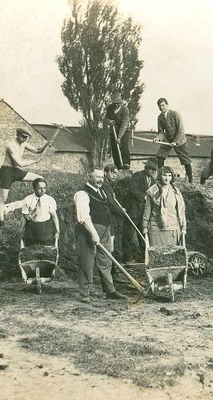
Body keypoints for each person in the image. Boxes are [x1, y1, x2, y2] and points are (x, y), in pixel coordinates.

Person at [74, 169, 127, 302]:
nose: (100, 179)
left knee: (106, 261)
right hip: (88, 231)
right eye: (97, 177)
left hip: (105, 230)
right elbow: (84, 217)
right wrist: (93, 233)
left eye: (102, 177)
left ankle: (110, 291)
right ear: (89, 176)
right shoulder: (82, 194)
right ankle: (85, 293)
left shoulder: (102, 192)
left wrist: (110, 233)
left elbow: (109, 211)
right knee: (87, 262)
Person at [0, 128, 52, 222]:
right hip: (7, 171)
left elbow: (38, 150)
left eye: (26, 138)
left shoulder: (24, 143)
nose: (24, 139)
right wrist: (34, 161)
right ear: (17, 135)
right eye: (23, 137)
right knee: (3, 198)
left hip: (16, 171)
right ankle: (1, 221)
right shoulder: (10, 146)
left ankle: (37, 203)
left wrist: (46, 145)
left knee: (40, 179)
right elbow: (20, 163)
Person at [142, 166, 187, 246]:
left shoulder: (176, 192)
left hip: (172, 228)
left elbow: (181, 210)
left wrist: (183, 227)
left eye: (169, 175)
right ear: (160, 176)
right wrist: (145, 226)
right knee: (156, 254)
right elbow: (147, 210)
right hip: (156, 229)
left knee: (171, 254)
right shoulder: (152, 191)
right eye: (165, 175)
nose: (167, 178)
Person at [154, 98, 193, 183]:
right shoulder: (160, 117)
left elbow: (180, 130)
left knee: (186, 160)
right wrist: (158, 138)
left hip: (179, 139)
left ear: (167, 105)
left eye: (163, 105)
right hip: (168, 140)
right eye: (159, 106)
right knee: (160, 156)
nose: (161, 107)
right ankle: (161, 178)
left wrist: (175, 141)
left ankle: (191, 182)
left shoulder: (175, 114)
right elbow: (161, 132)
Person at [125, 159, 158, 256]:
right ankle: (127, 257)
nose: (152, 171)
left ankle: (144, 256)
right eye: (151, 169)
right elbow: (132, 190)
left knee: (143, 235)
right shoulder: (137, 176)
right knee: (129, 235)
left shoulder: (153, 180)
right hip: (133, 211)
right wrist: (144, 197)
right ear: (146, 168)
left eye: (154, 170)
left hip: (144, 213)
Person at [19, 178, 59, 247]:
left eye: (44, 188)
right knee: (31, 251)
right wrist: (21, 230)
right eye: (39, 188)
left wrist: (57, 230)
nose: (42, 190)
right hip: (31, 228)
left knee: (46, 251)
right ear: (34, 188)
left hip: (46, 228)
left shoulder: (50, 200)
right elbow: (24, 217)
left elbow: (54, 216)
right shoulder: (28, 200)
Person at [105, 93, 131, 170]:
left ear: (121, 102)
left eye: (118, 103)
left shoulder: (125, 110)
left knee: (124, 146)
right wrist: (109, 121)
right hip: (113, 130)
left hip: (124, 130)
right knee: (114, 148)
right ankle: (118, 166)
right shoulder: (109, 108)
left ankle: (126, 164)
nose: (116, 105)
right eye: (114, 103)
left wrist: (119, 137)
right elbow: (106, 118)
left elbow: (124, 125)